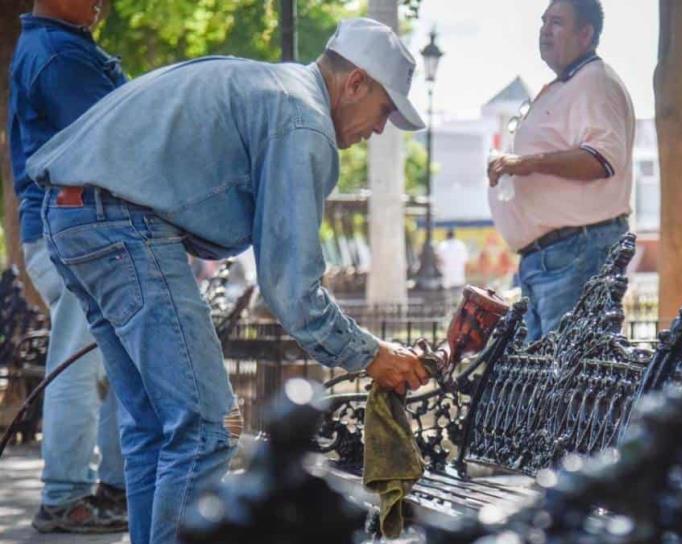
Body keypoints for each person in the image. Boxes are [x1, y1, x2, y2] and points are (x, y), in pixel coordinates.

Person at [26, 17, 430, 544]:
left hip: (72, 214)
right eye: (383, 111)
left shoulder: (271, 87)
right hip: (122, 224)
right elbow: (292, 289)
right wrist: (370, 354)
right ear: (355, 83)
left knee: (154, 426)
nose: (378, 130)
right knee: (206, 429)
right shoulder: (303, 120)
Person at [7, 0, 127, 533]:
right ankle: (66, 497)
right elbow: (115, 148)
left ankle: (107, 489)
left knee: (114, 366)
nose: (102, 2)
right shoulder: (58, 55)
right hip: (72, 232)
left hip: (67, 231)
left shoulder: (58, 46)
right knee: (78, 367)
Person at [487, 0, 635, 342]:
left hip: (575, 254)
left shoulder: (595, 81)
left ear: (585, 34)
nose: (544, 30)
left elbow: (601, 159)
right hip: (551, 258)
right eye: (543, 21)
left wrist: (524, 164)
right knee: (546, 383)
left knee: (568, 382)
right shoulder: (567, 84)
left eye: (556, 22)